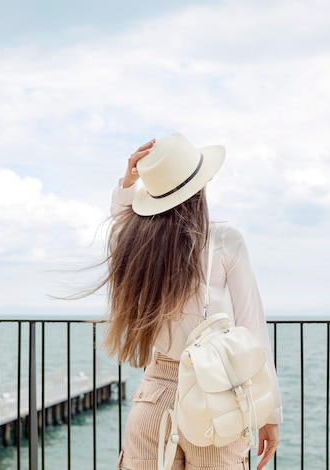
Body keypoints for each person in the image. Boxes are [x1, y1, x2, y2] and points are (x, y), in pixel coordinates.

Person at [104, 133, 282, 470]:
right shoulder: (225, 241)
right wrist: (269, 412)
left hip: (153, 401)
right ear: (200, 187)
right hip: (216, 403)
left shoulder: (137, 245)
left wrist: (127, 185)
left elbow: (120, 220)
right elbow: (252, 330)